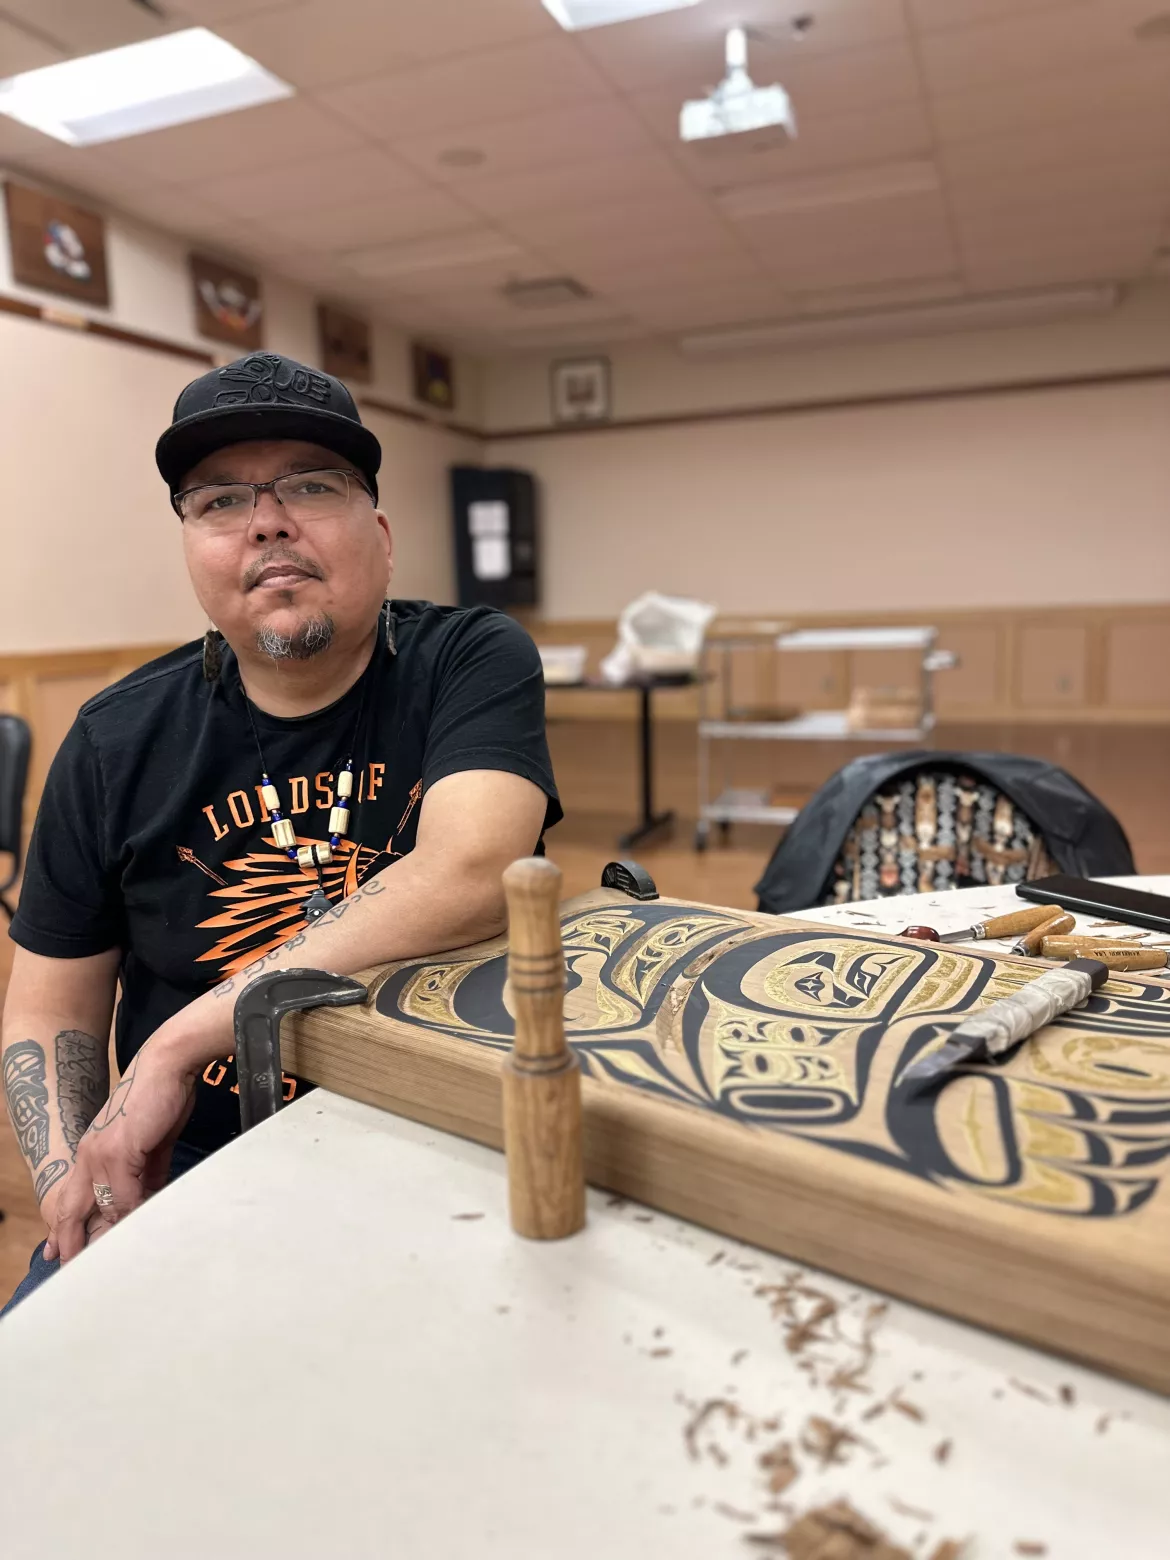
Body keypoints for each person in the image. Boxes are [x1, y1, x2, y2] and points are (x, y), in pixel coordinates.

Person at [1, 350, 560, 1311]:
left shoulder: (469, 658)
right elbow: (50, 1009)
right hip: (196, 1171)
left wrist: (177, 1043)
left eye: (310, 484)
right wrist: (78, 1188)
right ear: (192, 549)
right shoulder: (111, 738)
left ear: (379, 534)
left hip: (446, 1148)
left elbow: (473, 865)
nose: (265, 519)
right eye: (219, 500)